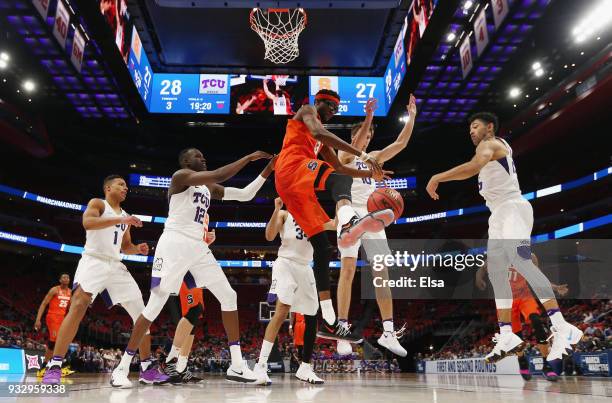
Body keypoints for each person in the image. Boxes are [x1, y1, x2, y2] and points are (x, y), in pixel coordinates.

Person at [425, 112, 583, 364]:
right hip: (498, 214)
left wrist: (437, 177)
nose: (471, 131)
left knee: (521, 262)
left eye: (475, 126)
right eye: (469, 128)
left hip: (512, 208)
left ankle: (562, 326)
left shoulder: (491, 144)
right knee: (497, 272)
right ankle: (507, 333)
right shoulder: (491, 149)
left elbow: (472, 167)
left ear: (489, 127)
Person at [111, 149, 272, 387]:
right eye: (198, 155)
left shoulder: (207, 188)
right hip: (174, 243)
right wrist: (248, 158)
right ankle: (122, 368)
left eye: (203, 155)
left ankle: (237, 365)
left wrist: (269, 170)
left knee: (229, 296)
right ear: (186, 161)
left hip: (197, 246)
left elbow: (246, 195)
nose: (203, 157)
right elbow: (218, 173)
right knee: (155, 305)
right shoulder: (181, 177)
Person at [274, 88, 394, 342]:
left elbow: (340, 167)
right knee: (336, 179)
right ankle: (348, 219)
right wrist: (361, 154)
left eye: (335, 109)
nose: (332, 112)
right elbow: (319, 133)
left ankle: (329, 319)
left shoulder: (321, 139)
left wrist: (370, 175)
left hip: (295, 186)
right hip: (291, 168)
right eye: (329, 106)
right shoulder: (307, 112)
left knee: (322, 247)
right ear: (318, 102)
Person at [42, 175, 167, 386]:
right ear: (108, 188)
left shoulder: (125, 215)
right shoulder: (98, 203)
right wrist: (122, 220)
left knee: (143, 313)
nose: (125, 188)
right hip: (94, 260)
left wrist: (137, 249)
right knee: (79, 304)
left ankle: (146, 368)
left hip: (116, 265)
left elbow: (125, 246)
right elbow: (88, 223)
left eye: (126, 186)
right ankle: (54, 366)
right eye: (121, 184)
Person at [334, 95, 417, 357]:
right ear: (354, 135)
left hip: (373, 214)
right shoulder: (343, 153)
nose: (367, 138)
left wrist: (412, 116)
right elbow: (355, 147)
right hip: (349, 212)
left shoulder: (374, 157)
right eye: (363, 134)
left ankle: (389, 332)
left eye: (370, 135)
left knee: (382, 273)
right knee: (348, 270)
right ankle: (343, 331)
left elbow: (401, 143)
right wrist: (368, 117)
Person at [253, 197, 332, 385]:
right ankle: (261, 366)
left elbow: (336, 224)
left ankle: (305, 368)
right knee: (281, 311)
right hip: (285, 263)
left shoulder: (314, 217)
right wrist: (276, 209)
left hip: (305, 267)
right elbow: (269, 235)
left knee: (312, 314)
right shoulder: (284, 214)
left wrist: (351, 213)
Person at [476, 253, 568, 381]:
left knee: (536, 321)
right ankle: (522, 361)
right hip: (506, 301)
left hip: (524, 296)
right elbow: (481, 269)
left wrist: (555, 287)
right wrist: (478, 278)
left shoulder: (528, 255)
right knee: (516, 337)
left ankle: (546, 365)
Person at [34, 273, 72, 377]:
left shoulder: (70, 292)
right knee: (55, 341)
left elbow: (70, 308)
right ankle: (55, 367)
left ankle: (44, 367)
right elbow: (44, 303)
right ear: (60, 280)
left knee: (55, 343)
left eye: (68, 277)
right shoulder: (54, 290)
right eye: (64, 277)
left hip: (62, 319)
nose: (66, 278)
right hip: (52, 317)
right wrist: (38, 319)